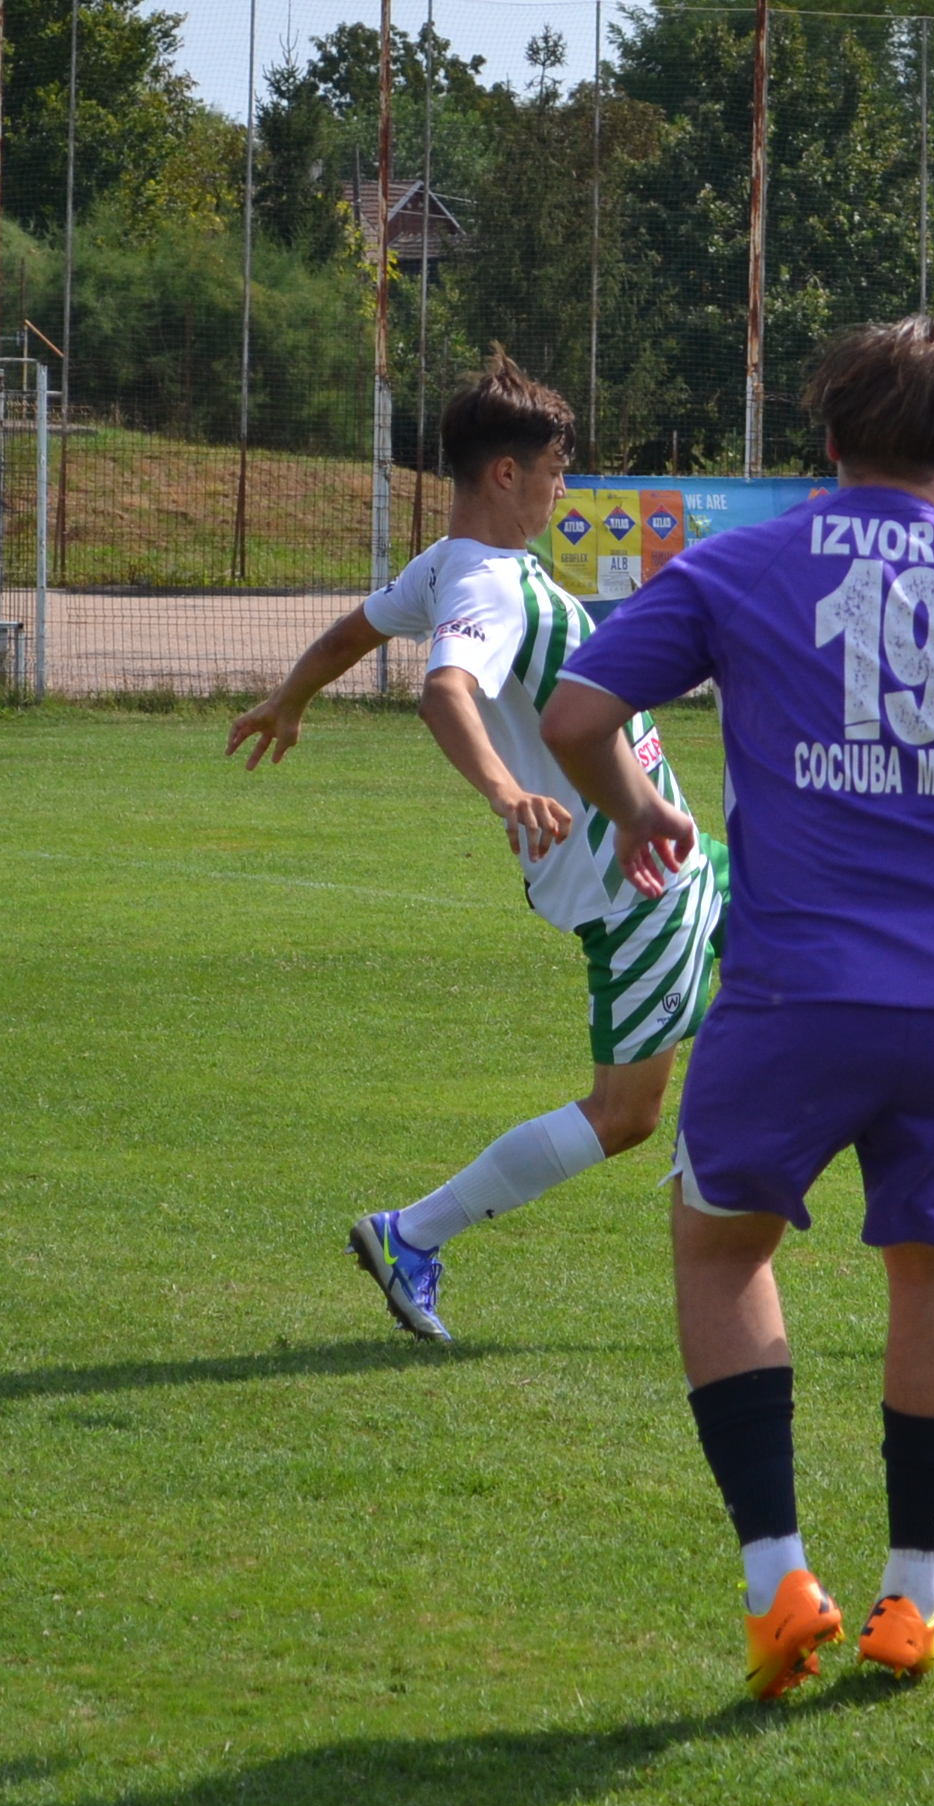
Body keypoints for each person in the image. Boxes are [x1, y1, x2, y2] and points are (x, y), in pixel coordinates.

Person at [539, 315, 934, 1699]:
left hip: (796, 989)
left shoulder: (740, 564)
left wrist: (639, 807)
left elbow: (577, 714)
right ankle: (910, 1599)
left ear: (826, 443)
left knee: (721, 1247)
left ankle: (778, 1583)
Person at [226, 357, 731, 1345]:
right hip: (632, 884)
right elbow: (442, 692)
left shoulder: (447, 565)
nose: (562, 490)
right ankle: (411, 1233)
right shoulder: (488, 584)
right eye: (554, 470)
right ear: (505, 473)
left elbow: (352, 632)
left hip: (663, 854)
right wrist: (505, 790)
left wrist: (290, 697)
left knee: (812, 937)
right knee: (625, 1114)